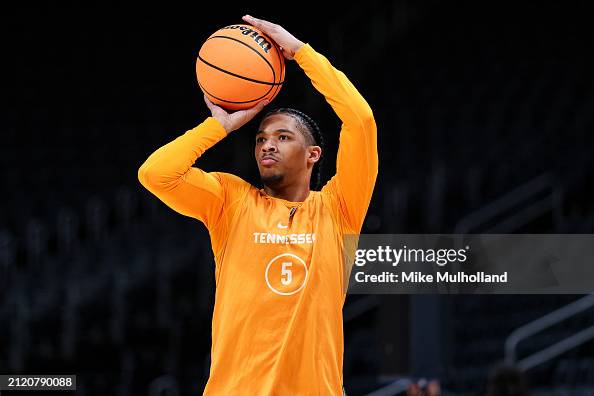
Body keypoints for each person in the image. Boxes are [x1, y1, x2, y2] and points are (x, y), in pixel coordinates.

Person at [138, 14, 378, 395]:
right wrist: (219, 125)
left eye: (283, 137)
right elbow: (156, 174)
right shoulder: (230, 201)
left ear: (313, 154)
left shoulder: (339, 208)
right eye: (261, 138)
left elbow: (361, 120)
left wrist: (301, 53)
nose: (267, 144)